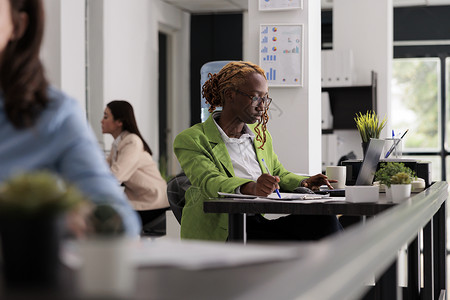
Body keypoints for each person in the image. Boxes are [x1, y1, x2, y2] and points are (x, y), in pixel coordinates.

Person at [0, 0, 140, 237]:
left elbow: (116, 218)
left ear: (18, 25)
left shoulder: (55, 116)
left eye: (106, 116)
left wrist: (65, 220)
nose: (101, 121)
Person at [174, 61, 342, 241]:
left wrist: (304, 182)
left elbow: (277, 173)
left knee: (324, 221)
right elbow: (210, 181)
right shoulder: (192, 139)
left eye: (265, 98)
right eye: (255, 97)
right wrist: (252, 187)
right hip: (224, 232)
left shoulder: (260, 136)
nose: (262, 106)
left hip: (254, 223)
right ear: (230, 95)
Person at [102, 100, 169, 227]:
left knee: (105, 221)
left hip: (152, 203)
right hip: (138, 202)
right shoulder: (117, 144)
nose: (101, 121)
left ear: (119, 122)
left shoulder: (132, 142)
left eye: (106, 116)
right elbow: (102, 170)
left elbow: (116, 175)